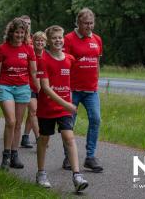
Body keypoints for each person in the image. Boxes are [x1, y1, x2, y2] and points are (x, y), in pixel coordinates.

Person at [35, 25, 88, 192]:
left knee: (69, 137)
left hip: (64, 108)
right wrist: (66, 104)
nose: (58, 40)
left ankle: (77, 176)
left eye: (60, 37)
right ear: (48, 41)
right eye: (54, 38)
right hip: (47, 107)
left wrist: (70, 99)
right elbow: (45, 88)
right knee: (44, 140)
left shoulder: (69, 59)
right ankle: (41, 174)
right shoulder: (43, 60)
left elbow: (72, 79)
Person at [0, 17, 39, 170]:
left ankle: (15, 155)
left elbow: (33, 72)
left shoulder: (28, 49)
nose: (20, 36)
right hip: (6, 87)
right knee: (11, 121)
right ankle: (6, 155)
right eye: (17, 32)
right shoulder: (3, 48)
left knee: (17, 124)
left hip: (23, 88)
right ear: (11, 33)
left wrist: (39, 90)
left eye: (22, 33)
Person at [62, 7, 103, 172]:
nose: (89, 26)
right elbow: (62, 63)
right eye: (86, 23)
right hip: (72, 90)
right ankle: (68, 157)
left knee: (96, 119)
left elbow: (97, 63)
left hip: (91, 90)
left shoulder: (97, 40)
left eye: (91, 23)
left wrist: (96, 81)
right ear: (78, 22)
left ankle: (90, 157)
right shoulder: (68, 39)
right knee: (69, 123)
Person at [21, 31, 46, 148]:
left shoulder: (47, 56)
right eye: (37, 40)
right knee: (34, 112)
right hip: (29, 86)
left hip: (42, 88)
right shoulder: (30, 54)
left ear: (45, 43)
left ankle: (25, 137)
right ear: (33, 42)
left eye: (42, 40)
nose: (40, 43)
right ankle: (39, 138)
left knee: (33, 114)